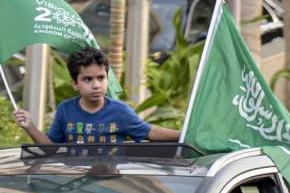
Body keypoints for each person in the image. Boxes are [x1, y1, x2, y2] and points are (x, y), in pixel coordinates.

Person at [13, 48, 180, 145]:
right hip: (72, 185)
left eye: (101, 78)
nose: (96, 85)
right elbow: (50, 147)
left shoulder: (120, 112)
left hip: (110, 186)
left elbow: (150, 132)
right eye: (87, 79)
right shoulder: (65, 110)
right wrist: (29, 126)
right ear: (75, 84)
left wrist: (186, 136)